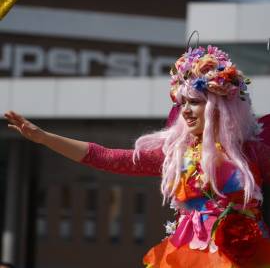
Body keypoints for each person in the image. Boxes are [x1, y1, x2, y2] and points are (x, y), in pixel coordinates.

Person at [4, 45, 270, 268]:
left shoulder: (252, 150)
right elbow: (106, 157)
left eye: (195, 102)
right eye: (182, 103)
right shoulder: (177, 154)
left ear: (219, 105)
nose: (186, 111)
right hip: (186, 257)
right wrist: (45, 138)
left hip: (244, 257)